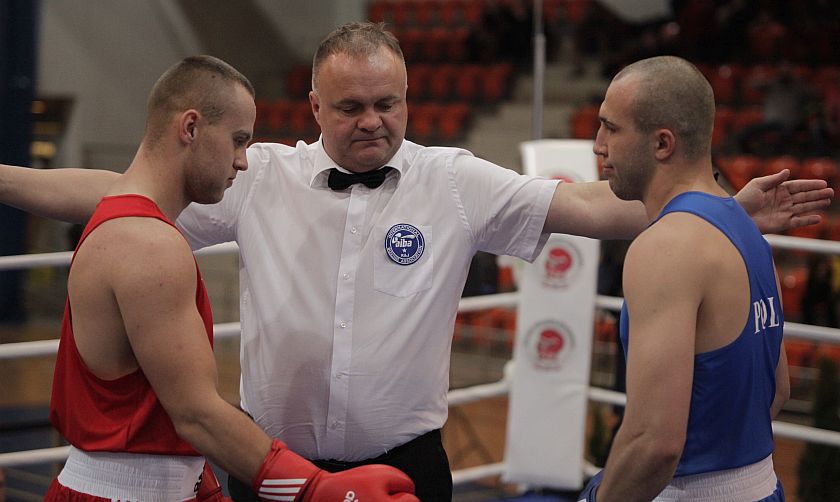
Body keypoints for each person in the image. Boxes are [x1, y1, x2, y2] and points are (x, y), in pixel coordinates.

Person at [0, 23, 831, 502]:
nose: (373, 120)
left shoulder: (455, 181)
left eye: (388, 103)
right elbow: (121, 191)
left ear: (408, 98)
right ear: (314, 107)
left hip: (407, 467)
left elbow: (589, 204)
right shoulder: (261, 176)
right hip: (272, 466)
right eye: (351, 106)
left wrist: (713, 210)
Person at [40, 55, 416, 502]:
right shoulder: (148, 244)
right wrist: (315, 488)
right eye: (238, 141)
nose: (242, 162)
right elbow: (195, 415)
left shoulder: (131, 223)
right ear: (191, 128)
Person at [578, 56, 789, 502]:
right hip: (761, 487)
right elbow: (777, 391)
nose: (598, 145)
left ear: (662, 144)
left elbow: (654, 443)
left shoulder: (665, 247)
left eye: (611, 128)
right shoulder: (748, 231)